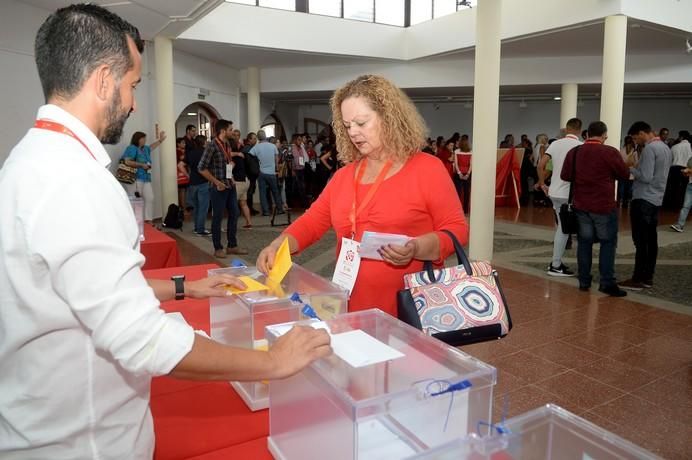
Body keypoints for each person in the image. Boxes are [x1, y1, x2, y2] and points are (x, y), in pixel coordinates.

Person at [0, 5, 330, 459]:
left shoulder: (33, 160)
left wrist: (184, 288)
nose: (134, 101)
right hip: (83, 441)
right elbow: (143, 340)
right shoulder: (73, 180)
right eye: (132, 84)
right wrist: (272, 362)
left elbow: (83, 289)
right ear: (102, 80)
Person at [256, 75, 469, 317]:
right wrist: (277, 245)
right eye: (347, 126)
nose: (353, 133)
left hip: (410, 308)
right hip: (351, 304)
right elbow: (312, 222)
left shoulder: (426, 168)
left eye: (361, 123)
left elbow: (457, 230)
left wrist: (416, 247)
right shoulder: (344, 176)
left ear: (389, 118)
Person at [560, 121, 630, 297]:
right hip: (603, 206)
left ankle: (584, 280)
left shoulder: (575, 152)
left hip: (581, 205)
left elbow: (565, 175)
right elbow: (624, 174)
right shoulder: (609, 152)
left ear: (587, 134)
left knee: (584, 243)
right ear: (604, 135)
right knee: (607, 244)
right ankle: (607, 282)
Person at [619, 121, 672, 291]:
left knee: (641, 241)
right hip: (656, 198)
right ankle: (648, 277)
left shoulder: (650, 148)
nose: (636, 141)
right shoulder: (665, 147)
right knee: (651, 241)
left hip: (643, 199)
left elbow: (646, 176)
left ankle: (638, 278)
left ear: (642, 133)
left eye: (636, 137)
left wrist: (630, 168)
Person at [537, 117, 583, 277]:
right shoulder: (580, 146)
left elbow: (540, 165)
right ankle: (556, 265)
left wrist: (543, 184)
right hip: (570, 195)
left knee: (561, 228)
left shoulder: (555, 144)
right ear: (579, 130)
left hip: (554, 192)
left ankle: (557, 263)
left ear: (567, 129)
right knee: (566, 230)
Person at [198, 119, 248, 258]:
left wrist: (230, 176)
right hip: (217, 188)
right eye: (230, 129)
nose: (233, 132)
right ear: (223, 131)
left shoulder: (227, 144)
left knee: (235, 213)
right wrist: (217, 182)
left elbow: (225, 165)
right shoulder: (212, 146)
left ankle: (232, 245)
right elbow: (201, 168)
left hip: (229, 185)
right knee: (218, 217)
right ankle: (218, 247)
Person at [122, 130, 165, 223]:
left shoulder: (145, 148)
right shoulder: (131, 148)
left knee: (150, 197)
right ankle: (135, 221)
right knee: (136, 199)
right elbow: (127, 161)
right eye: (143, 138)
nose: (145, 140)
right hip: (135, 177)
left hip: (145, 177)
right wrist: (141, 165)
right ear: (138, 139)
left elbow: (151, 147)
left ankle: (148, 219)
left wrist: (160, 141)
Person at [250, 130, 284, 216]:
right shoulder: (272, 146)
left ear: (258, 138)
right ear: (265, 136)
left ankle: (265, 211)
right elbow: (276, 158)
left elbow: (251, 157)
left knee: (263, 193)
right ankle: (280, 209)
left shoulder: (256, 147)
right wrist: (276, 168)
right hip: (272, 173)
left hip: (261, 173)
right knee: (275, 192)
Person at [186, 134, 211, 236]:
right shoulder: (205, 153)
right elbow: (207, 168)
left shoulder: (191, 153)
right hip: (203, 182)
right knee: (203, 208)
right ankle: (200, 229)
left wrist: (188, 175)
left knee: (196, 207)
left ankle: (196, 227)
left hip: (192, 183)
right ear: (204, 142)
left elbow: (181, 165)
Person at [670, 158, 692, 232]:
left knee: (686, 206)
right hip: (690, 184)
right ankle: (679, 225)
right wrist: (685, 173)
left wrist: (688, 170)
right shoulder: (690, 159)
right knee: (686, 206)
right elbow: (688, 173)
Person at [453, 137, 472, 212]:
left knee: (458, 192)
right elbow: (471, 164)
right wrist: (468, 174)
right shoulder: (471, 152)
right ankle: (465, 210)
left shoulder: (456, 151)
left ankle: (458, 209)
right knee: (466, 192)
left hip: (458, 174)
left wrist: (459, 173)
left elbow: (456, 164)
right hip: (467, 173)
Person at [618, 135, 637, 208]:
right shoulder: (633, 151)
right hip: (628, 173)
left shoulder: (623, 150)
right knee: (627, 190)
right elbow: (635, 163)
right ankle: (625, 203)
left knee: (625, 189)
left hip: (628, 173)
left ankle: (623, 203)